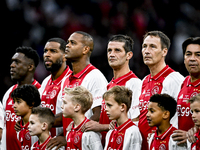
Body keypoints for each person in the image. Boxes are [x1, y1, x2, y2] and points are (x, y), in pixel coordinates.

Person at [47, 31, 108, 149]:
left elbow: (100, 114)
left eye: (72, 43)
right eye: (68, 42)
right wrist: (37, 121)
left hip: (88, 143)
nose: (67, 46)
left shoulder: (95, 76)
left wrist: (73, 135)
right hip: (72, 143)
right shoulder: (66, 80)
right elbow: (65, 116)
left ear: (85, 49)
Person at [81, 34, 142, 146]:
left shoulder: (135, 83)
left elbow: (136, 122)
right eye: (109, 50)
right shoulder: (108, 85)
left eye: (117, 50)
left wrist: (102, 127)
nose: (112, 54)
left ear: (129, 55)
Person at [138, 30, 184, 150]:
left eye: (153, 46)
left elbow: (179, 118)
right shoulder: (144, 81)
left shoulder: (174, 79)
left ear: (164, 51)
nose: (147, 51)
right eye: (144, 46)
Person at [1, 46, 41, 150]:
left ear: (30, 67)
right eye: (12, 62)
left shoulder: (41, 93)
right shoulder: (9, 93)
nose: (12, 65)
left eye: (17, 62)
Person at [39, 38, 72, 136]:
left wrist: (63, 136)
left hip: (63, 143)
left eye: (53, 51)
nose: (47, 55)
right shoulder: (45, 82)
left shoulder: (72, 81)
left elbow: (74, 116)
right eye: (45, 51)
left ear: (65, 56)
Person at [172, 37, 200, 145]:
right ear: (184, 59)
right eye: (188, 54)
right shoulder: (183, 83)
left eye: (198, 55)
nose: (192, 59)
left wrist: (195, 133)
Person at [103, 86, 142, 150]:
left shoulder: (133, 131)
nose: (106, 109)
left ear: (122, 107)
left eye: (109, 105)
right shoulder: (110, 132)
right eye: (106, 105)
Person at [11, 84, 41, 149]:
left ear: (31, 104)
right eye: (14, 102)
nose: (14, 106)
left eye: (18, 102)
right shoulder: (19, 127)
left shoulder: (39, 128)